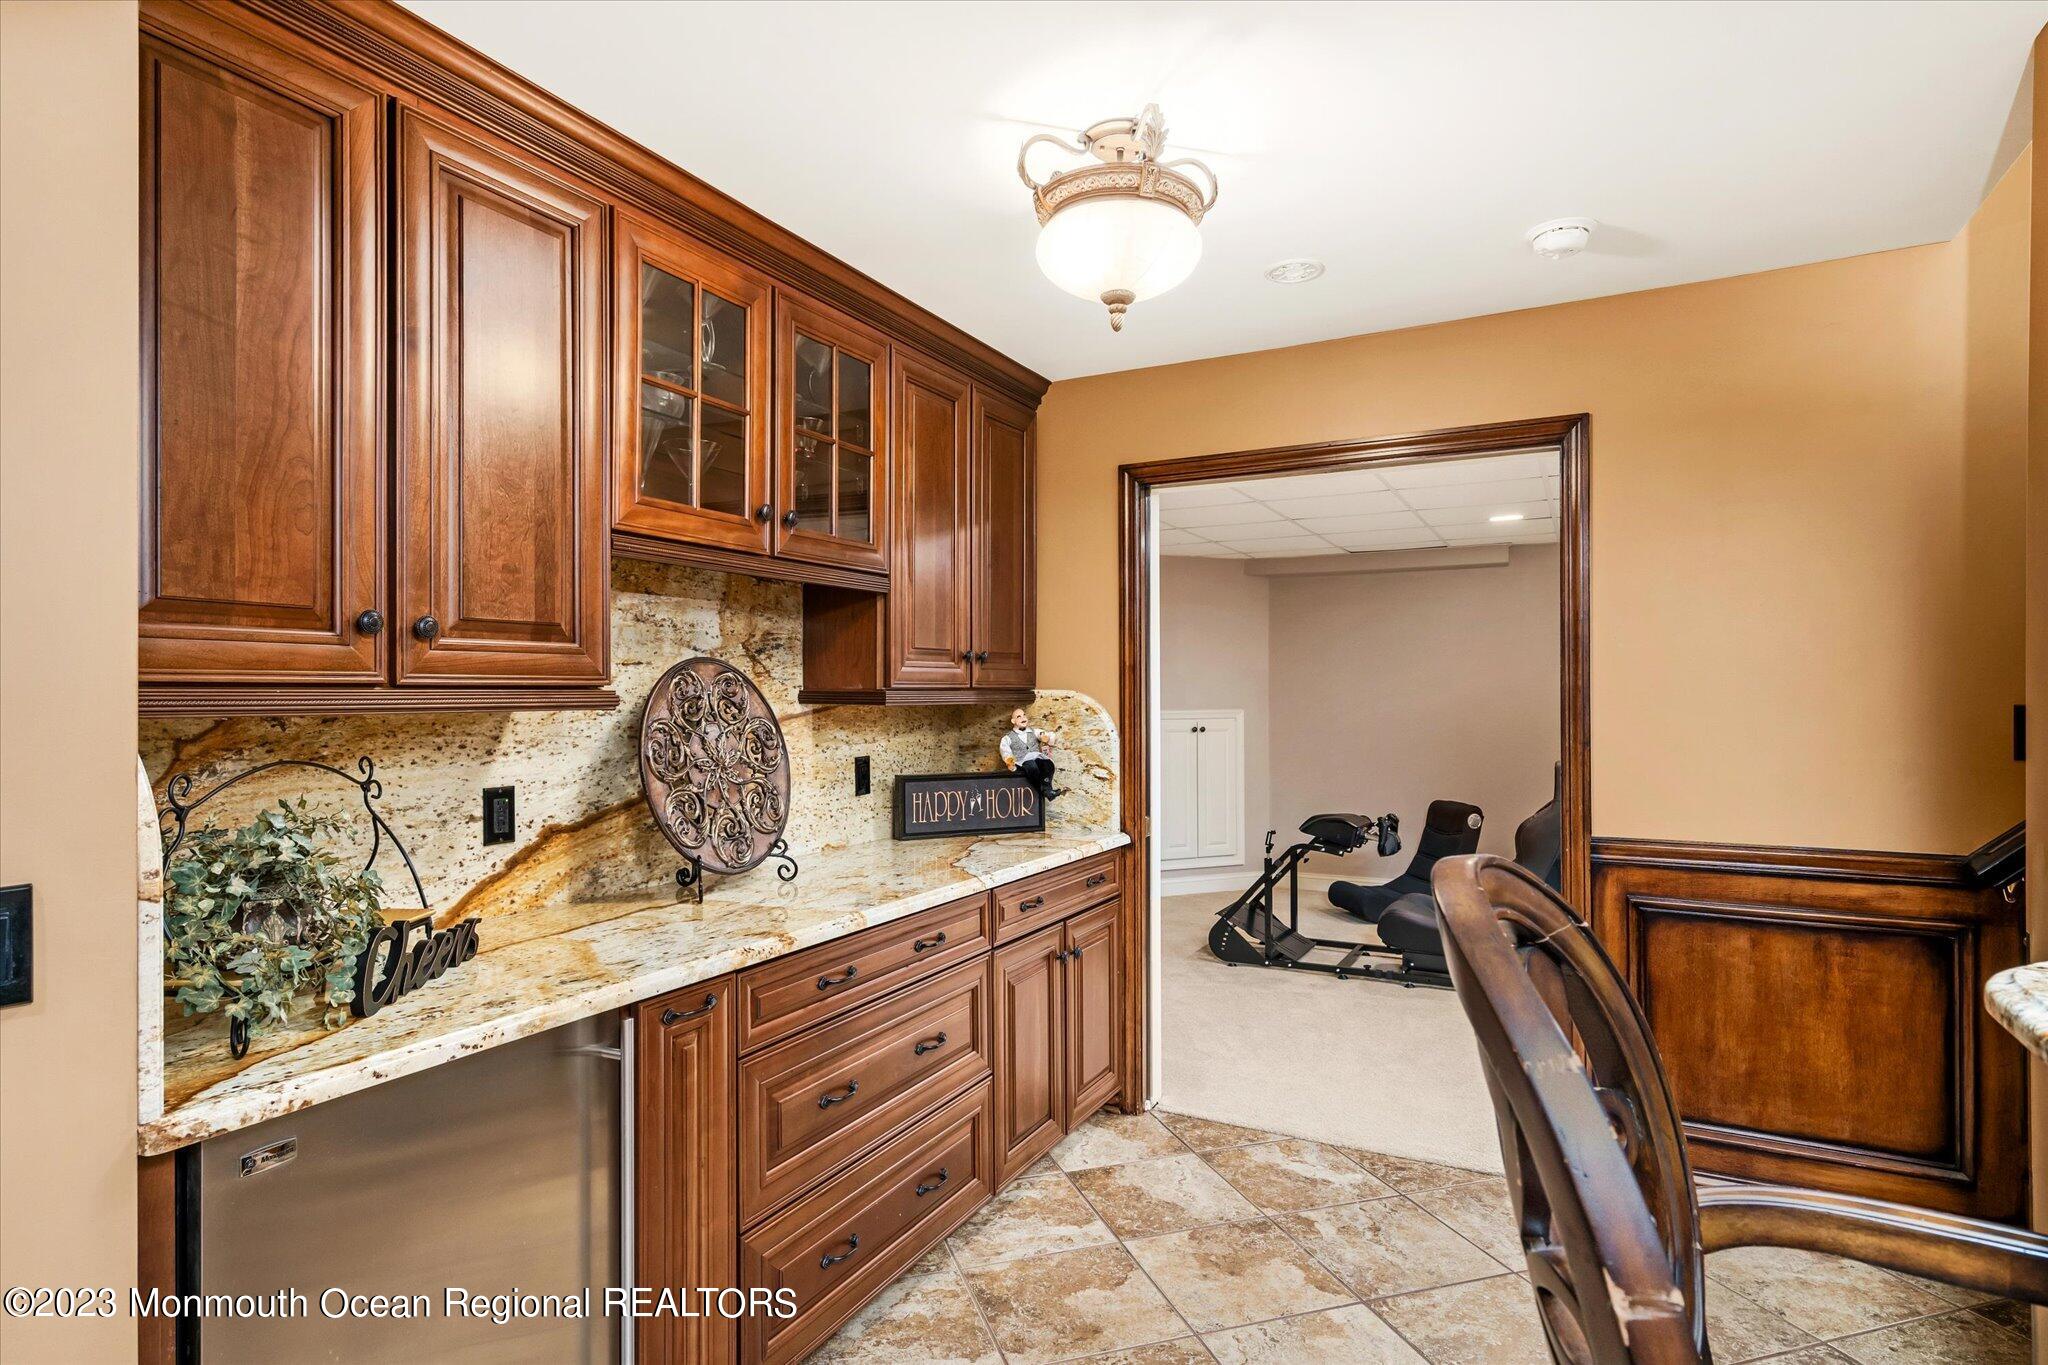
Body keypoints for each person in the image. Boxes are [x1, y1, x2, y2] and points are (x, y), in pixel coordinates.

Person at [999, 707, 1062, 803]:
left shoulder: (1034, 731)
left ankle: (1047, 790)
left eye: (1024, 715)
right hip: (1022, 761)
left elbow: (1046, 735)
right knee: (1031, 766)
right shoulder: (1008, 737)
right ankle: (1047, 791)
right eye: (1019, 716)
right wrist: (1009, 761)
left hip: (1037, 757)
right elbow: (1005, 750)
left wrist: (1046, 737)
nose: (1022, 717)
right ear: (1013, 721)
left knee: (1047, 764)